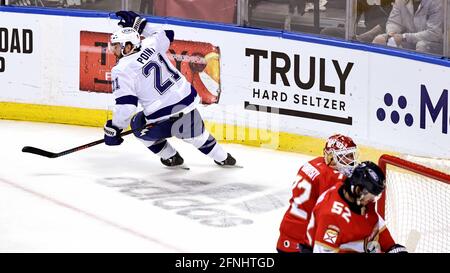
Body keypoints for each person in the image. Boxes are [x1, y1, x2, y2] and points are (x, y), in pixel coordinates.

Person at [104, 11, 236, 168]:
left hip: (161, 118)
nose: (113, 50)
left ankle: (171, 157)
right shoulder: (150, 45)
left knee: (137, 124)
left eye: (117, 46)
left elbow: (127, 105)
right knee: (199, 137)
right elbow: (167, 34)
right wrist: (142, 25)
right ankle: (224, 158)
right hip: (187, 104)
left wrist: (115, 127)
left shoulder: (122, 69)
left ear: (128, 46)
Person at [276, 134, 359, 253]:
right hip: (301, 240)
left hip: (289, 230)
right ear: (331, 157)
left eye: (352, 155)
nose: (351, 161)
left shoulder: (312, 163)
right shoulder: (332, 178)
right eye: (346, 156)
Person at [306, 161, 407, 253]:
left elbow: (374, 223)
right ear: (358, 189)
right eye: (372, 195)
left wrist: (391, 246)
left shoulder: (359, 199)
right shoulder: (331, 217)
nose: (373, 200)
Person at [372, 0, 443, 55]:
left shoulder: (437, 2)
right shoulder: (400, 1)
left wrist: (404, 37)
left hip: (436, 44)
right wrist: (391, 33)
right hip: (410, 40)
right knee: (380, 39)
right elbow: (394, 22)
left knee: (422, 45)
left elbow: (434, 33)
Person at [320, 0, 394, 43]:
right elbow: (353, 17)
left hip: (384, 35)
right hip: (364, 34)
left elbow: (390, 22)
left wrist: (362, 36)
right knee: (327, 32)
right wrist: (349, 32)